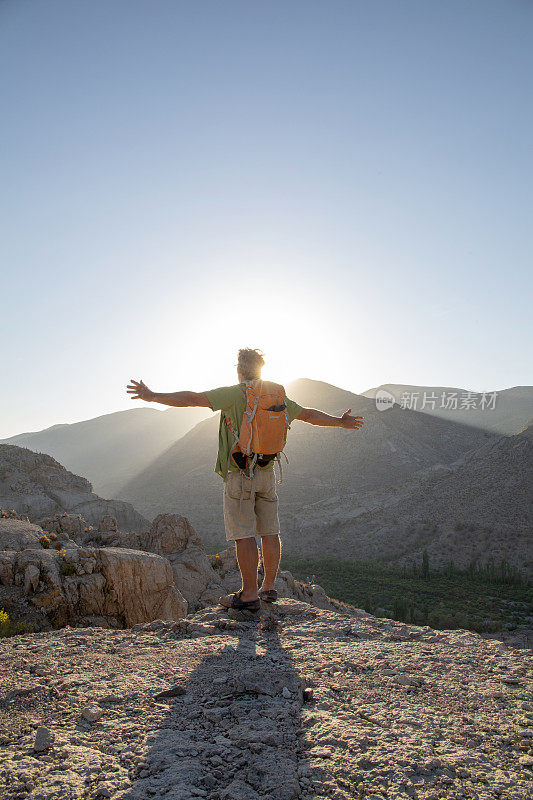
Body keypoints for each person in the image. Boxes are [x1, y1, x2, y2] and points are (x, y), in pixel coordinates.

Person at [127, 348, 364, 613]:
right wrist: (340, 423)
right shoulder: (276, 395)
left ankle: (249, 594)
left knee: (244, 534)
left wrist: (153, 396)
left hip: (239, 473)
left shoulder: (237, 393)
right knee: (270, 531)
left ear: (239, 370)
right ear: (260, 370)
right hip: (268, 470)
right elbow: (307, 414)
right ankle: (269, 586)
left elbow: (194, 398)